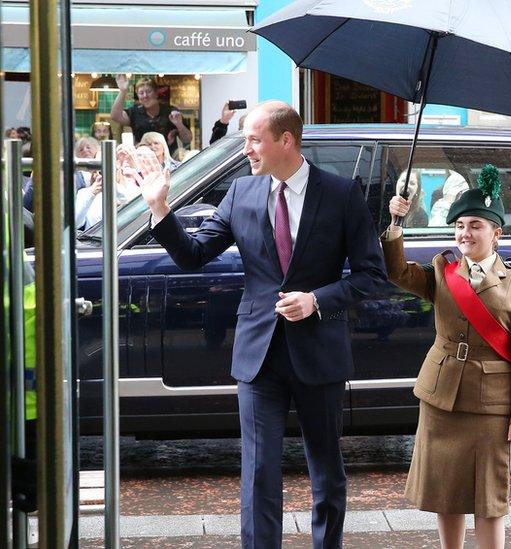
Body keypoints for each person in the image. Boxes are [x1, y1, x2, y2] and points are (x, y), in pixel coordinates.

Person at [135, 100, 387, 549]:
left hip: (320, 352)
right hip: (259, 356)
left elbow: (372, 276)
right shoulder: (242, 193)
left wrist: (317, 300)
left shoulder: (341, 194)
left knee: (326, 468)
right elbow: (194, 255)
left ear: (285, 140)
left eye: (253, 139)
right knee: (258, 469)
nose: (246, 149)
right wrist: (159, 210)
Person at [383, 165, 511, 549]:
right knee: (446, 492)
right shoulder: (442, 270)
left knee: (489, 500)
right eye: (459, 226)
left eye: (475, 225)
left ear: (496, 233)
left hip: (491, 405)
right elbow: (397, 273)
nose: (464, 233)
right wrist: (395, 225)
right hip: (441, 399)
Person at [111, 75, 192, 155]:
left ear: (156, 93)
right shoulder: (135, 112)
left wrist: (179, 125)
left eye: (149, 91)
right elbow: (115, 116)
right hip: (143, 159)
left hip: (168, 160)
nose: (145, 96)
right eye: (141, 93)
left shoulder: (170, 112)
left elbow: (187, 139)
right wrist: (122, 91)